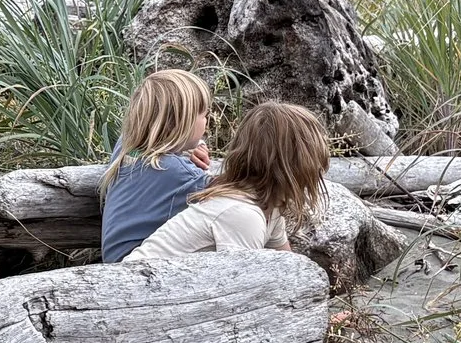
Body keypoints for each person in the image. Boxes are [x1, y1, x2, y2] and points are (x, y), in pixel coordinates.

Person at [134, 100, 329, 258]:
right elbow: (244, 291)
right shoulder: (242, 214)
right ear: (295, 166)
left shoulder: (271, 208)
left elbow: (290, 270)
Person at [100, 69, 213, 263]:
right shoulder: (180, 174)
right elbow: (230, 193)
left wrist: (193, 147)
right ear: (181, 123)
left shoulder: (126, 146)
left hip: (113, 261)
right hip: (139, 268)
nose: (207, 121)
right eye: (204, 115)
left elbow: (167, 145)